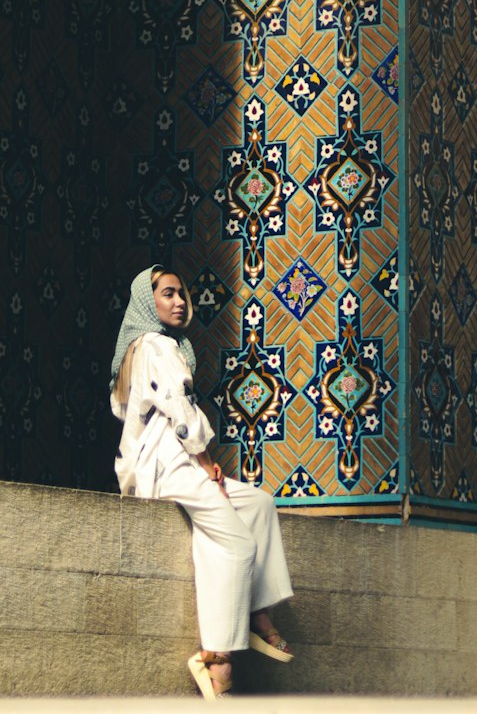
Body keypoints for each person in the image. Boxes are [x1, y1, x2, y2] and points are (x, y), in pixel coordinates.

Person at [110, 265, 294, 699]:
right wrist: (207, 458)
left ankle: (254, 613)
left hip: (179, 462)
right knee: (236, 543)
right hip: (166, 465)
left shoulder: (154, 347)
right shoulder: (155, 345)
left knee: (259, 504)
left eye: (181, 295)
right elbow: (180, 409)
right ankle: (216, 655)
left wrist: (204, 463)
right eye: (168, 294)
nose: (179, 302)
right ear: (146, 302)